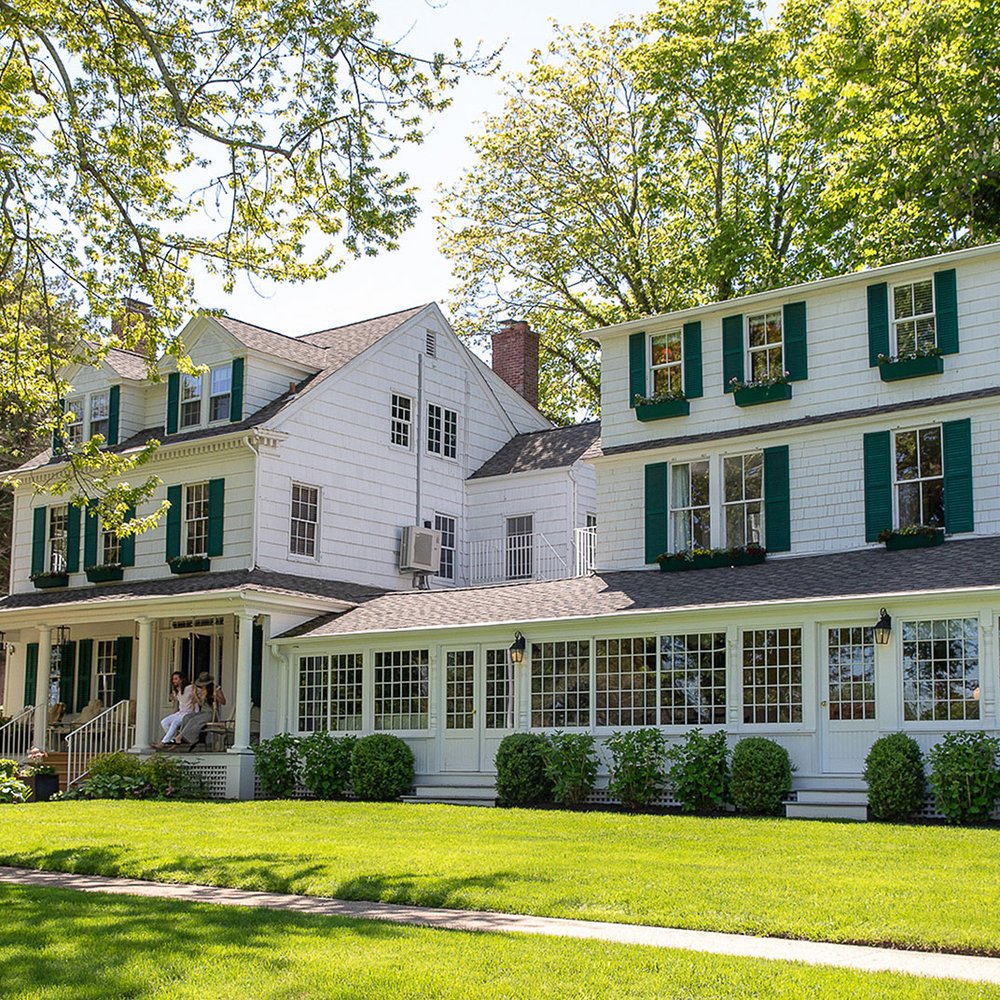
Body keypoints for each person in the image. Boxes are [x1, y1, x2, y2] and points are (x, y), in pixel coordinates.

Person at [174, 672, 227, 748]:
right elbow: (201, 704)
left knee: (194, 720)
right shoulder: (202, 690)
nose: (202, 685)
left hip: (211, 713)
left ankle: (180, 737)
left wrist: (216, 696)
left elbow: (224, 702)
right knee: (187, 717)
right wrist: (195, 694)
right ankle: (187, 739)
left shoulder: (216, 689)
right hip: (203, 712)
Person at [155, 671, 194, 747]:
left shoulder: (189, 688)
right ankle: (173, 740)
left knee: (175, 722)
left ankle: (163, 742)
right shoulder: (177, 691)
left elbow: (199, 692)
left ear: (181, 679)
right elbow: (180, 699)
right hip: (180, 713)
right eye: (173, 679)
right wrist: (173, 698)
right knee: (164, 722)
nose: (174, 681)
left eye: (176, 679)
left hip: (189, 713)